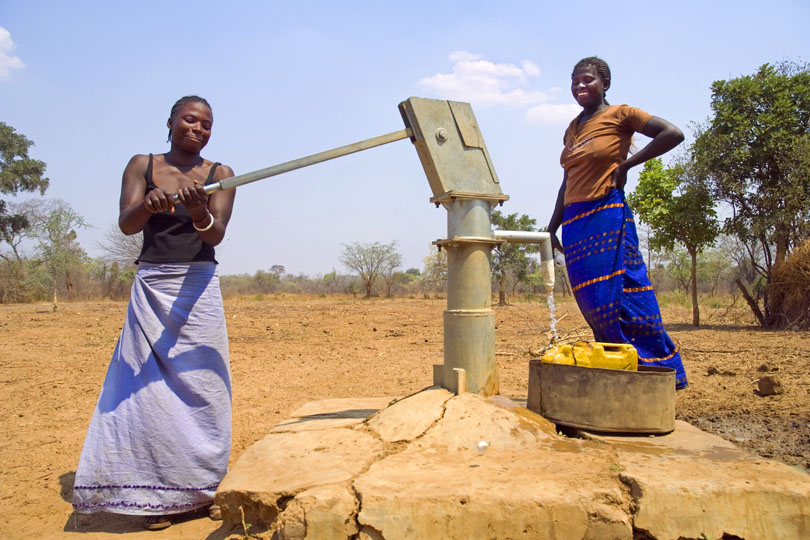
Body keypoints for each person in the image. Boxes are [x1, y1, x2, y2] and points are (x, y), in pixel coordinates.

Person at [72, 96, 237, 530]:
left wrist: (199, 208)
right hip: (153, 285)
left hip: (198, 287)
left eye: (206, 124)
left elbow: (215, 235)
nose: (197, 128)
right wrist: (150, 204)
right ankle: (153, 497)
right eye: (189, 119)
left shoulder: (221, 175)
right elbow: (127, 223)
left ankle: (201, 488)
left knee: (205, 387)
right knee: (146, 390)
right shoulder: (142, 165)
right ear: (170, 121)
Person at [547, 57, 688, 389]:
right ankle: (618, 369)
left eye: (587, 81)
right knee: (594, 303)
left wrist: (627, 166)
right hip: (576, 224)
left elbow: (673, 133)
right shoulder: (573, 127)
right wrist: (552, 227)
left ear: (605, 83)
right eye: (574, 82)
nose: (580, 87)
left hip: (607, 215)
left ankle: (658, 372)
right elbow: (567, 179)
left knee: (626, 293)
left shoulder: (621, 114)